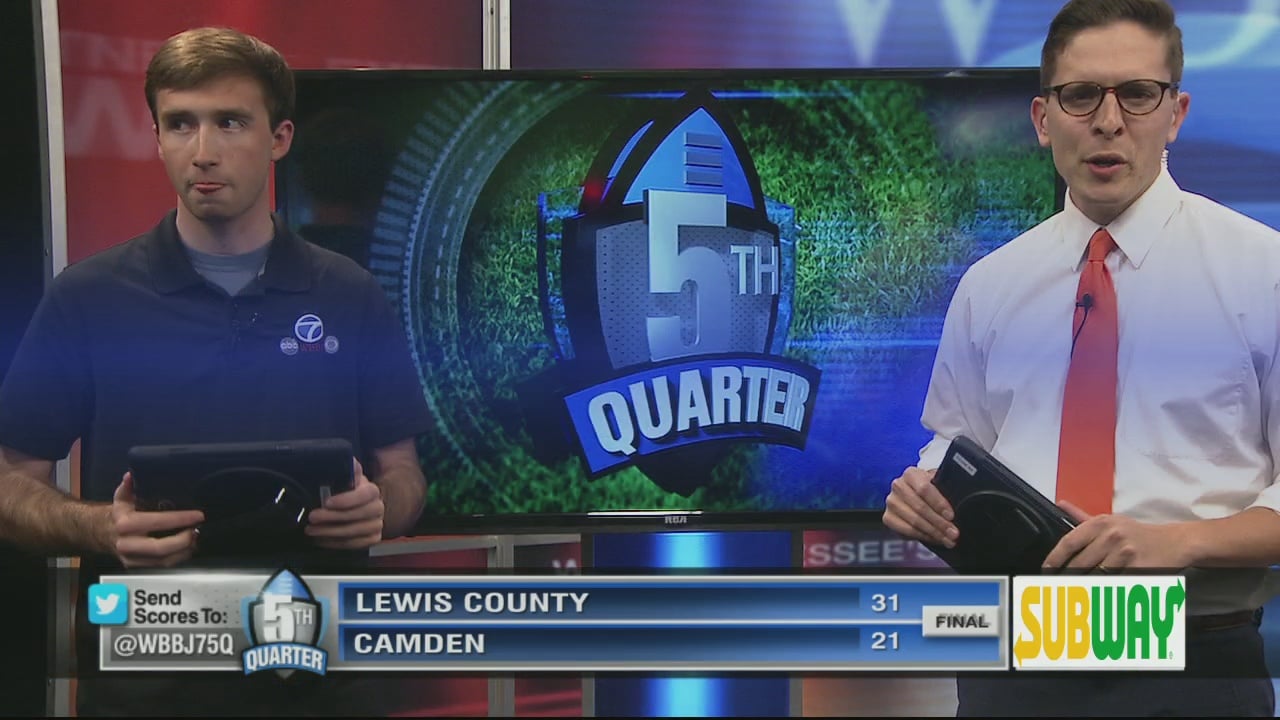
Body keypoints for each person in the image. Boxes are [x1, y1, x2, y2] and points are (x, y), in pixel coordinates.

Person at [0, 27, 431, 716]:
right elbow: (10, 483)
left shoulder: (349, 293)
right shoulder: (87, 297)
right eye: (180, 124)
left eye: (230, 122)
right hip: (147, 680)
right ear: (157, 137)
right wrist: (101, 528)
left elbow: (404, 473)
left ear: (279, 138)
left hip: (325, 678)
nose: (202, 150)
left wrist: (380, 507)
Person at [882, 0, 1280, 716]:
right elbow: (954, 445)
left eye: (1138, 94)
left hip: (1194, 657)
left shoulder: (1265, 273)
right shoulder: (990, 284)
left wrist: (1177, 543)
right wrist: (925, 490)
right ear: (1043, 119)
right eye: (1081, 95)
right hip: (1018, 651)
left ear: (1176, 112)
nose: (1108, 121)